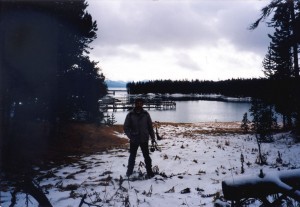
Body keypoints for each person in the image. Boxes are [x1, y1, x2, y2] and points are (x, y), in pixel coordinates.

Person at [123, 98, 156, 178]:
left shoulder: (146, 114)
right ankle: (129, 173)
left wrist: (153, 138)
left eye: (140, 103)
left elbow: (150, 127)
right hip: (134, 140)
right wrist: (130, 136)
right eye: (137, 103)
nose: (139, 105)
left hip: (144, 139)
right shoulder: (130, 114)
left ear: (142, 104)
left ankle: (150, 173)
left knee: (147, 157)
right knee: (132, 157)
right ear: (135, 104)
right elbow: (126, 127)